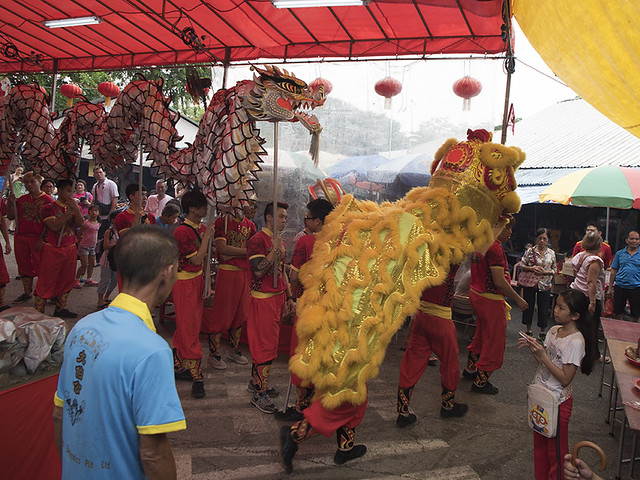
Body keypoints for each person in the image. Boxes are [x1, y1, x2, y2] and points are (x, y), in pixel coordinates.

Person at [52, 225, 186, 479]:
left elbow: (59, 414)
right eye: (176, 269)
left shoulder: (82, 328)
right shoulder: (152, 350)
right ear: (166, 273)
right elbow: (153, 454)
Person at [518, 289, 596, 480]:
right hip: (542, 397)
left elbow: (564, 378)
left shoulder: (576, 341)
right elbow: (545, 364)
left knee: (557, 452)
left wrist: (543, 355)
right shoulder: (554, 331)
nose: (556, 310)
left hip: (558, 402)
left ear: (576, 315)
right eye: (556, 306)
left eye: (562, 308)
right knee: (540, 447)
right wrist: (535, 349)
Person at [276, 198, 334, 421]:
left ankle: (301, 407)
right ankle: (317, 404)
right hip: (329, 308)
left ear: (318, 221)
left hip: (307, 306)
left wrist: (291, 298)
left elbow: (294, 276)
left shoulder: (306, 242)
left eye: (308, 217)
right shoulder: (340, 244)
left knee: (301, 355)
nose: (305, 220)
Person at [396, 264, 468, 427]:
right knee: (450, 364)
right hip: (440, 319)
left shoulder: (427, 248)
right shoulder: (450, 250)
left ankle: (403, 411)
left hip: (422, 315)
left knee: (412, 363)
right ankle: (448, 405)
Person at [463, 217, 528, 394]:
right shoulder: (495, 248)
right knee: (494, 343)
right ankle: (480, 382)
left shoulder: (481, 243)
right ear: (498, 227)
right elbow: (499, 281)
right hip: (490, 300)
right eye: (508, 228)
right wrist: (518, 299)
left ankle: (470, 370)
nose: (510, 232)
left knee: (481, 335)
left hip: (477, 295)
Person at [246, 201, 294, 414]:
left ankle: (256, 382)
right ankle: (259, 392)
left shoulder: (278, 241)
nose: (284, 220)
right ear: (269, 218)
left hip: (277, 298)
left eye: (285, 216)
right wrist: (273, 252)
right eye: (281, 216)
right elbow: (258, 271)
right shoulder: (257, 240)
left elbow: (281, 270)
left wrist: (289, 296)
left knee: (269, 344)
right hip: (263, 299)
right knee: (264, 345)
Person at [172, 191, 215, 399]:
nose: (205, 210)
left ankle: (179, 364)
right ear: (191, 209)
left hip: (196, 280)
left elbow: (204, 263)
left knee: (190, 324)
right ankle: (196, 373)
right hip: (184, 281)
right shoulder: (182, 231)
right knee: (189, 326)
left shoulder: (202, 228)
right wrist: (207, 238)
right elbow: (197, 260)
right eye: (201, 207)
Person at [205, 200, 257, 370]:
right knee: (222, 313)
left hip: (244, 273)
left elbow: (252, 251)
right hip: (227, 272)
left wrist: (234, 252)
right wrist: (245, 252)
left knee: (241, 313)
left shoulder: (251, 226)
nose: (250, 206)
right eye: (248, 202)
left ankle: (233, 349)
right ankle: (214, 353)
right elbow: (222, 249)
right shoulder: (223, 222)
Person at [34, 179, 85, 318]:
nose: (70, 194)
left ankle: (60, 308)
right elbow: (54, 226)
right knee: (46, 279)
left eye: (72, 191)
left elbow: (81, 224)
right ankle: (39, 310)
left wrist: (75, 209)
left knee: (66, 280)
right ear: (60, 190)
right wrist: (67, 215)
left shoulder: (75, 206)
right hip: (52, 247)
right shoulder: (48, 208)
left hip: (69, 246)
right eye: (68, 190)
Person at [6, 171, 54, 303]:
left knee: (42, 266)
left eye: (32, 181)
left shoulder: (47, 201)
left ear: (39, 182)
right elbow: (11, 216)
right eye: (26, 182)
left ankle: (45, 292)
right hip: (21, 235)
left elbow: (49, 223)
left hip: (37, 237)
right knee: (23, 264)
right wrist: (10, 203)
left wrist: (42, 238)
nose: (29, 184)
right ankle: (27, 292)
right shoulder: (21, 200)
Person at [571, 231, 607, 363]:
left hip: (577, 293)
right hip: (588, 296)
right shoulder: (595, 261)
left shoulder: (579, 256)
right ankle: (593, 355)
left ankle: (576, 353)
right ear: (598, 244)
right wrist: (592, 302)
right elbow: (591, 282)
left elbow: (576, 273)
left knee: (577, 325)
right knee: (591, 327)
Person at [520, 228, 557, 340]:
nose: (541, 241)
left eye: (544, 238)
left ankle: (542, 332)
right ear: (536, 238)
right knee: (528, 306)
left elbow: (554, 269)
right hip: (530, 283)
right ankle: (528, 330)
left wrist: (545, 272)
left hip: (544, 284)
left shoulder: (551, 253)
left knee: (543, 308)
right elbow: (522, 265)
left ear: (548, 240)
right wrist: (532, 268)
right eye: (540, 238)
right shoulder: (530, 251)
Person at [608, 230, 640, 323]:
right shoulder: (620, 253)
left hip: (636, 287)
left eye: (637, 239)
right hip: (620, 286)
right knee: (618, 312)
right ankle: (618, 333)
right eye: (632, 238)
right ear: (627, 240)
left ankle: (635, 335)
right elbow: (613, 270)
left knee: (636, 314)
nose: (634, 241)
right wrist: (610, 287)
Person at [96, 211, 119, 310]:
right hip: (107, 260)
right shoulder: (109, 232)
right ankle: (100, 299)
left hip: (116, 260)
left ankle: (106, 297)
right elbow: (106, 246)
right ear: (113, 220)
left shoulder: (122, 231)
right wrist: (117, 244)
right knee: (104, 280)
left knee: (114, 280)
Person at [75, 205, 101, 288]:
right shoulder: (86, 223)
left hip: (92, 246)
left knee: (91, 264)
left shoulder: (98, 223)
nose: (94, 212)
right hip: (84, 246)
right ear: (89, 212)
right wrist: (79, 242)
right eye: (92, 211)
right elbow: (79, 232)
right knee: (84, 264)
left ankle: (89, 279)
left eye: (96, 210)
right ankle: (77, 279)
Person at [91, 167, 119, 240]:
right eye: (96, 173)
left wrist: (111, 213)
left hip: (107, 214)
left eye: (100, 172)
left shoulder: (111, 184)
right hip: (98, 214)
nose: (99, 174)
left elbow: (115, 198)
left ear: (104, 173)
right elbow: (93, 200)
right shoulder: (95, 186)